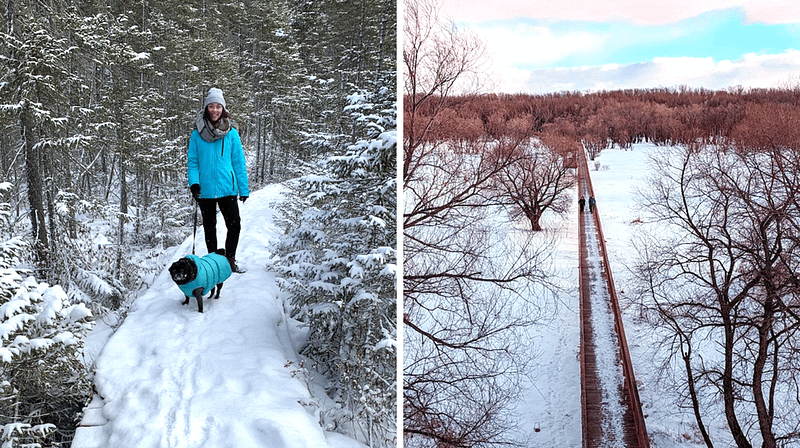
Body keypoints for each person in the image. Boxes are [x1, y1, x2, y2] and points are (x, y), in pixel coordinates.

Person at [187, 87, 249, 273]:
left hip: (227, 187)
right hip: (204, 188)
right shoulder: (197, 134)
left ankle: (229, 260)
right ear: (206, 108)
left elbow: (238, 162)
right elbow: (193, 162)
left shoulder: (231, 133)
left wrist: (243, 188)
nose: (215, 110)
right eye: (211, 106)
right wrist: (194, 183)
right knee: (209, 227)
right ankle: (214, 263)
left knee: (234, 225)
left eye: (218, 106)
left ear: (223, 108)